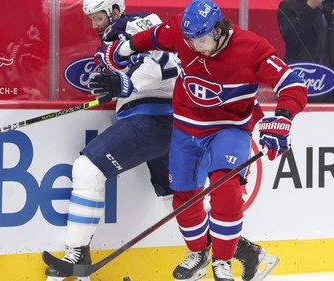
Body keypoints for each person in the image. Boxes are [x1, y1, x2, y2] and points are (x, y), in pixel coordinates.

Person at [44, 0, 281, 280]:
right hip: (177, 123)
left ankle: (77, 252)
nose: (94, 25)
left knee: (87, 168)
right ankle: (244, 251)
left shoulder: (127, 27)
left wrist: (128, 83)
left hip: (153, 119)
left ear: (115, 11)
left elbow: (163, 63)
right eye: (90, 20)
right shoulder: (135, 30)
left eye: (98, 17)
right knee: (178, 198)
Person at [96, 0, 308, 280]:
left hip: (229, 129)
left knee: (226, 191)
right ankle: (198, 253)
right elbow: (150, 37)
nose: (196, 47)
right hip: (186, 128)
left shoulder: (252, 48)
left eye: (202, 39)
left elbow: (292, 83)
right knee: (183, 196)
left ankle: (222, 261)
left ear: (219, 29)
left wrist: (283, 116)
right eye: (190, 41)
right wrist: (122, 49)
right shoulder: (180, 32)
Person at [277, 0, 334, 102]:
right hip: (303, 79)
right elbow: (292, 39)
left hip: (330, 82)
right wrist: (311, 6)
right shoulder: (289, 6)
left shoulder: (329, 7)